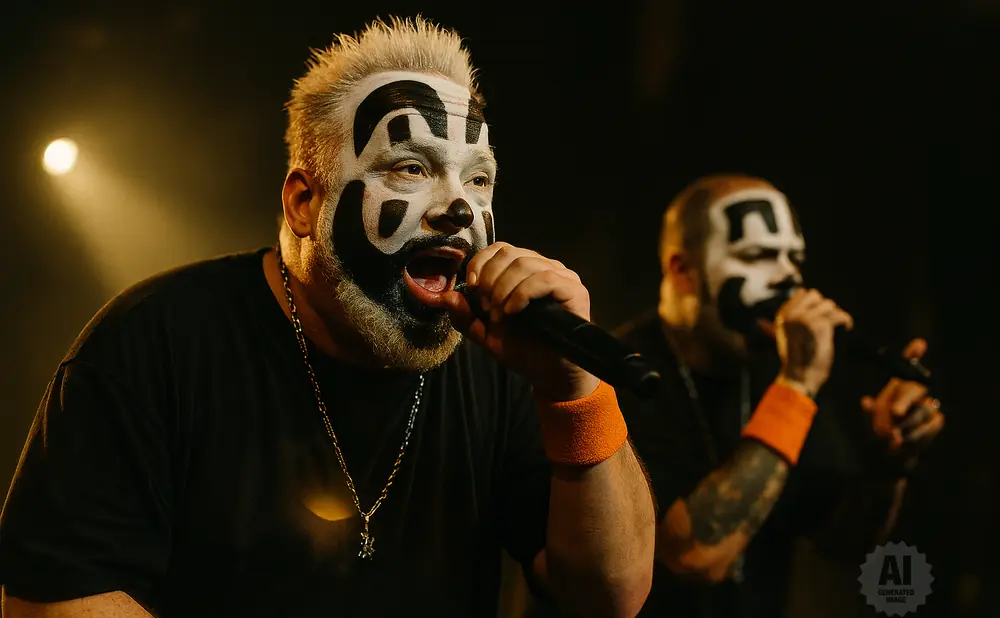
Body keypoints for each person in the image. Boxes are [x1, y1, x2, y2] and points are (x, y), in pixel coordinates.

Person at [0, 18, 655, 618]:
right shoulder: (153, 341)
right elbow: (56, 599)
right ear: (304, 202)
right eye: (411, 167)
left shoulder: (507, 359)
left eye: (478, 180)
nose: (458, 206)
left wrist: (576, 395)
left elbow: (610, 596)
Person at [615, 174, 945, 618]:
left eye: (794, 258)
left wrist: (887, 464)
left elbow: (841, 542)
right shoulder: (615, 372)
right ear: (682, 271)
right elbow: (691, 555)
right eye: (758, 256)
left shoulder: (777, 369)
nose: (788, 275)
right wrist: (799, 385)